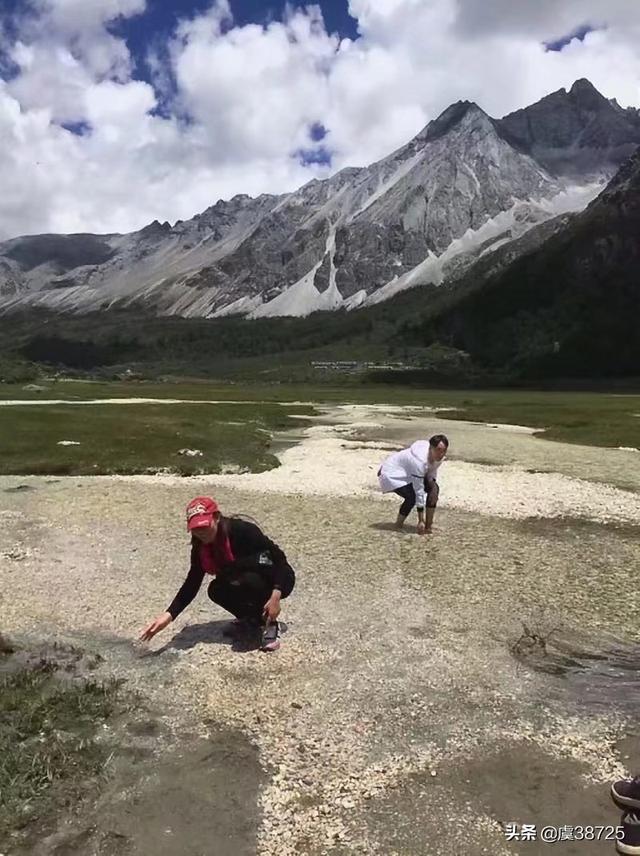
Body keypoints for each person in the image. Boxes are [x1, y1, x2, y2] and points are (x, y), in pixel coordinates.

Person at [140, 497, 295, 652]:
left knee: (249, 580)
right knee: (216, 590)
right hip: (244, 576)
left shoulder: (243, 531)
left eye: (204, 526)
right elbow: (192, 581)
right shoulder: (200, 545)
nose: (201, 533)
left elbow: (280, 560)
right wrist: (168, 616)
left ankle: (271, 624)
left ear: (216, 517)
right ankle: (254, 620)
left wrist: (275, 596)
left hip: (277, 577)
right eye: (196, 529)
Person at [378, 434, 449, 534]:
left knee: (434, 490)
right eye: (438, 450)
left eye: (444, 451)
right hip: (392, 473)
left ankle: (429, 526)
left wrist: (432, 487)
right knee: (412, 496)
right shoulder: (419, 461)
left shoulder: (439, 457)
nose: (441, 454)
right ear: (430, 448)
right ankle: (398, 524)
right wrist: (420, 520)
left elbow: (431, 472)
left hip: (409, 473)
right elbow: (418, 490)